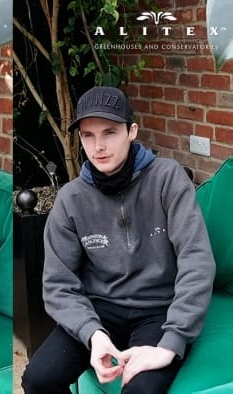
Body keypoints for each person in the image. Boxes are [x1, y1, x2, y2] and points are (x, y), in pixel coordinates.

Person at [21, 86, 215, 393]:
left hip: (158, 310)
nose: (99, 146)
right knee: (38, 378)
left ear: (132, 131)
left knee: (141, 390)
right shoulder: (71, 199)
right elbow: (58, 283)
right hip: (100, 309)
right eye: (88, 135)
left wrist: (171, 342)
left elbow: (197, 260)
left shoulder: (168, 179)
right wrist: (93, 334)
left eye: (109, 132)